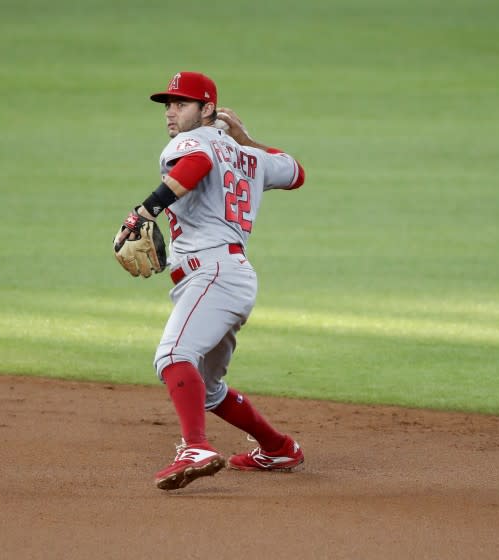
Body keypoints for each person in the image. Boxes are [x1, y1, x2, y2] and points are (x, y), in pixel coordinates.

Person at [114, 71, 306, 491]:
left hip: (213, 274)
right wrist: (246, 139)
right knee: (210, 388)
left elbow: (198, 165)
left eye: (181, 104)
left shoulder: (193, 143)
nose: (170, 112)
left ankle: (195, 447)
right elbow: (295, 172)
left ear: (207, 111)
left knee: (171, 358)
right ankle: (278, 447)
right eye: (168, 104)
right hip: (232, 277)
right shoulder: (248, 156)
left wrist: (142, 212)